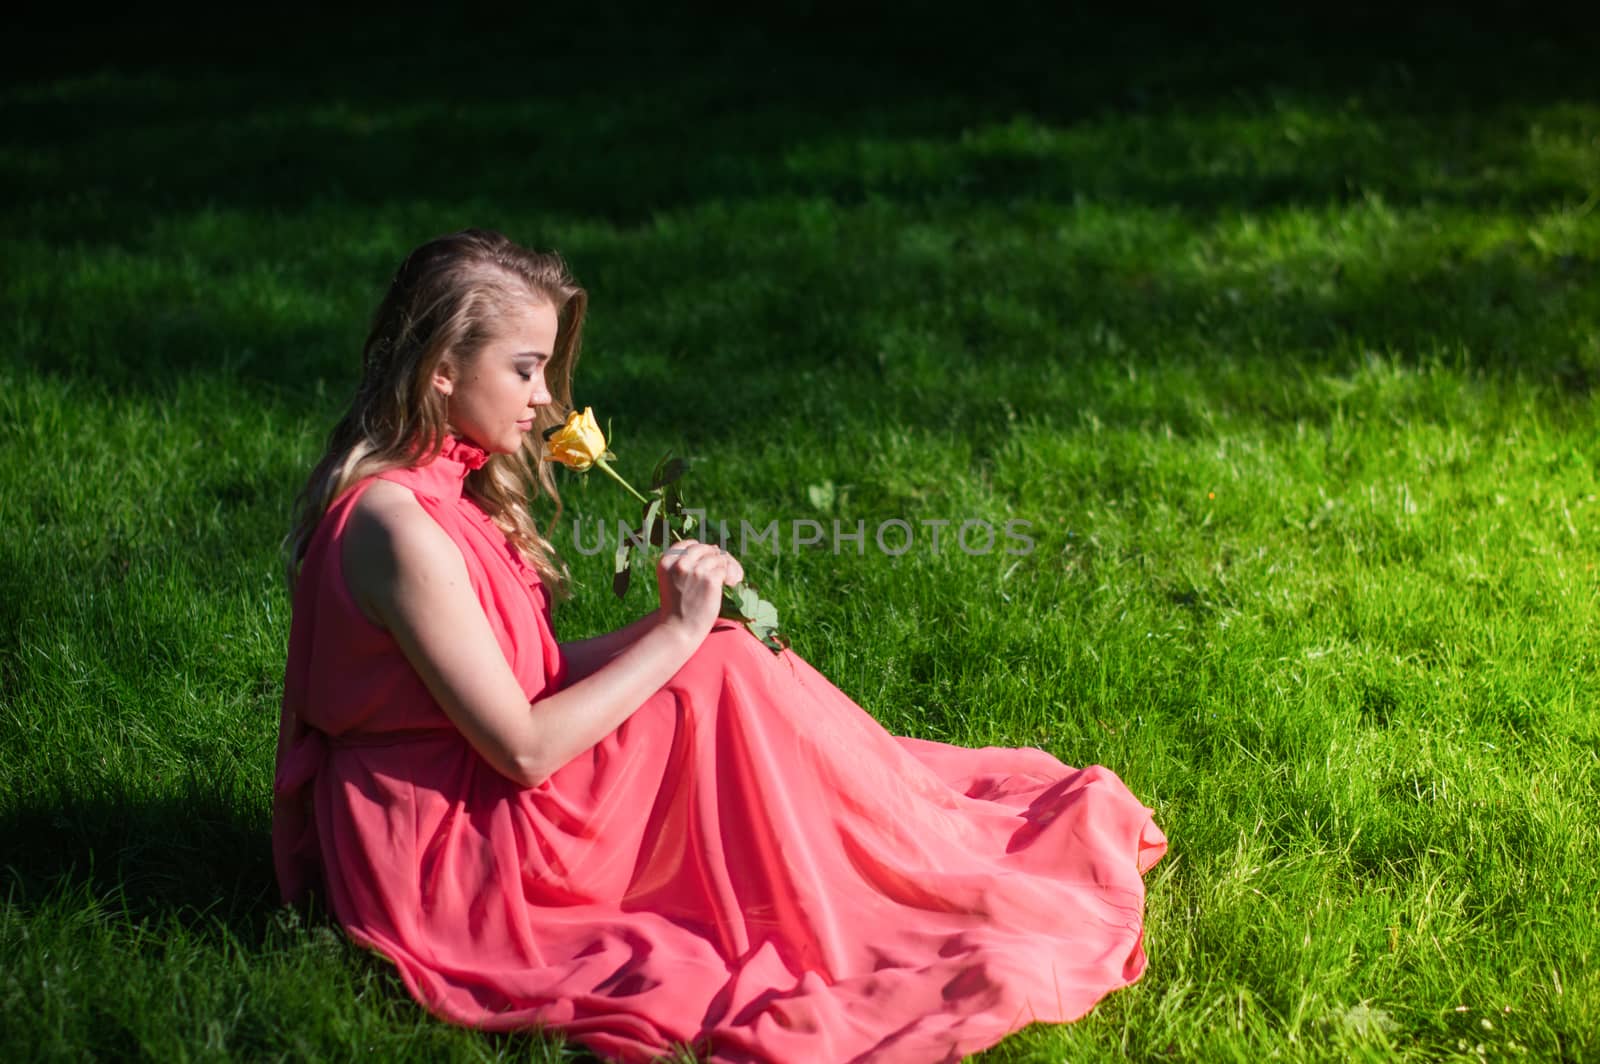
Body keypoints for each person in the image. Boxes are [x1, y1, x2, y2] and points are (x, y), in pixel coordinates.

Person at [274, 228, 1167, 1064]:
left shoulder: (443, 500)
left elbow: (531, 680)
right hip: (457, 853)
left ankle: (890, 849)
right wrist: (673, 633)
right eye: (525, 369)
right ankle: (855, 886)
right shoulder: (397, 529)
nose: (546, 398)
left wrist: (688, 631)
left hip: (483, 788)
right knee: (708, 658)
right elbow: (521, 746)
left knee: (728, 656)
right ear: (440, 371)